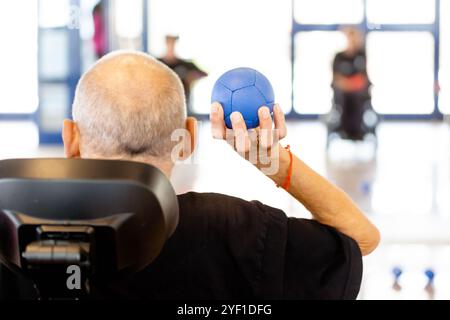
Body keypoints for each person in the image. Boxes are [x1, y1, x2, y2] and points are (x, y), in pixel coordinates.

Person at [2, 51, 379, 299]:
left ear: (71, 139)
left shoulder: (16, 238)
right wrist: (275, 164)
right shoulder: (237, 228)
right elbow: (361, 239)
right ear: (187, 138)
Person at [331, 27, 373, 140]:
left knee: (357, 97)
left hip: (358, 93)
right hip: (342, 93)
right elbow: (337, 79)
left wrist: (350, 84)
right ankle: (344, 130)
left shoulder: (361, 56)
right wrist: (347, 84)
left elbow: (362, 79)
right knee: (344, 98)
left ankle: (357, 131)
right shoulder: (339, 57)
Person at [158, 35, 207, 108]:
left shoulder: (186, 64)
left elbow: (204, 74)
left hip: (183, 102)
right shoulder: (157, 63)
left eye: (173, 43)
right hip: (162, 101)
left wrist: (192, 76)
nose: (171, 46)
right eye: (169, 43)